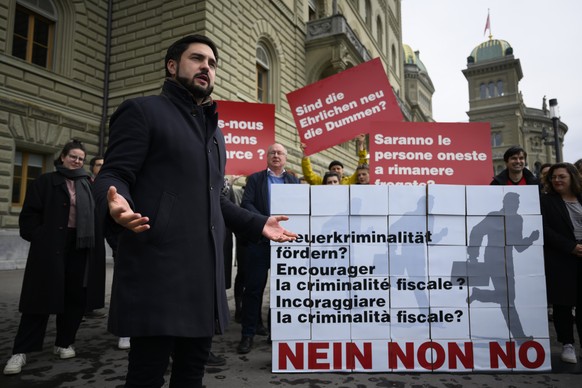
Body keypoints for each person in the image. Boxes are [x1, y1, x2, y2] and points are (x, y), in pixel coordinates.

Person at [92, 35, 296, 388]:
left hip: (204, 278)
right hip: (158, 272)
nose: (206, 67)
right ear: (172, 66)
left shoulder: (215, 134)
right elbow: (114, 173)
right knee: (146, 376)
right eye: (197, 59)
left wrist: (259, 222)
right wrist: (115, 200)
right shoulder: (141, 111)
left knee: (191, 376)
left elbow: (217, 199)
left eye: (212, 63)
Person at [3, 139, 106, 375]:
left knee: (74, 297)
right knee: (39, 299)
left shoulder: (88, 185)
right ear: (62, 157)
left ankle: (64, 342)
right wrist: (41, 238)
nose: (77, 161)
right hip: (50, 247)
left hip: (81, 248)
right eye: (73, 157)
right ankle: (20, 351)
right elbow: (29, 218)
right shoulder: (45, 181)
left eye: (81, 158)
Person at [237, 143, 300, 354]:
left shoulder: (294, 180)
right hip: (260, 241)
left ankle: (277, 334)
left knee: (281, 290)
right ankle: (248, 335)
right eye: (272, 152)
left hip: (284, 242)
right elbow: (247, 204)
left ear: (286, 158)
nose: (276, 155)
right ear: (267, 157)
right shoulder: (256, 179)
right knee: (254, 289)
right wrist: (266, 221)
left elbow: (301, 206)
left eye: (280, 152)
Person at [540, 162, 582, 364]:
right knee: (563, 304)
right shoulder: (547, 201)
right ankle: (567, 343)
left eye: (561, 177)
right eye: (554, 177)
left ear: (572, 177)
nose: (557, 180)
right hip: (561, 256)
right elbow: (544, 229)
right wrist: (571, 247)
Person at [301, 134, 368, 185]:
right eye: (333, 169)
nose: (336, 170)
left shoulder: (349, 181)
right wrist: (305, 155)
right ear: (329, 171)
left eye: (338, 168)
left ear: (343, 171)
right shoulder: (322, 182)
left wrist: (361, 145)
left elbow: (361, 167)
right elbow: (309, 175)